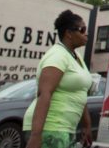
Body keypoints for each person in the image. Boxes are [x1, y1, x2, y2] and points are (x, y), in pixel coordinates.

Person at [23, 10, 94, 148]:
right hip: (51, 127)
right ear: (69, 33)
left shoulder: (76, 56)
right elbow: (44, 93)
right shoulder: (57, 56)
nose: (86, 33)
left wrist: (87, 125)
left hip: (65, 128)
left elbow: (80, 92)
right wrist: (36, 136)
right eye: (82, 29)